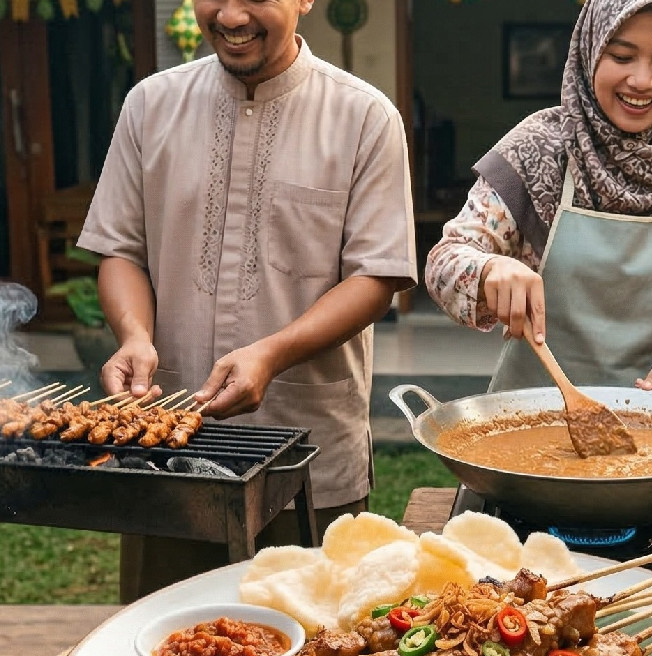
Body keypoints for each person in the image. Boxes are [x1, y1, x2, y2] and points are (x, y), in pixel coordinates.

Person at [77, 0, 417, 601]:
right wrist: (134, 335)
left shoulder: (364, 116)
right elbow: (121, 249)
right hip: (169, 453)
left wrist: (274, 351)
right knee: (159, 655)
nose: (232, 16)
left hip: (304, 456)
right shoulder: (150, 105)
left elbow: (377, 277)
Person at [426, 0, 652, 396]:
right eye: (621, 56)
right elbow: (445, 260)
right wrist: (488, 269)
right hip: (526, 420)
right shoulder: (537, 152)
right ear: (590, 49)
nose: (641, 80)